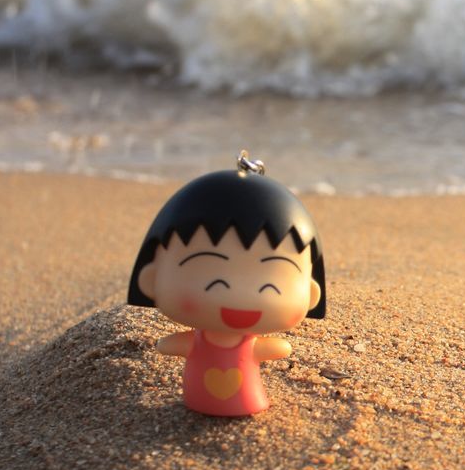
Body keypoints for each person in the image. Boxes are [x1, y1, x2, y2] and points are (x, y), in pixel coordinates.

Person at [127, 152, 326, 416]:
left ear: (311, 293)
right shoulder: (199, 338)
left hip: (248, 399)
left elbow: (277, 348)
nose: (241, 297)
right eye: (214, 283)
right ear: (151, 280)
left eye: (269, 287)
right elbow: (170, 345)